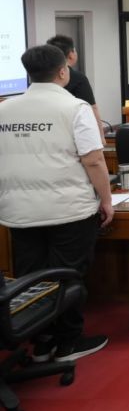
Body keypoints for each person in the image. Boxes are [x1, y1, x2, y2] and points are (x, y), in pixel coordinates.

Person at [0, 45, 114, 363]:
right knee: (67, 274)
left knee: (31, 276)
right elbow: (93, 160)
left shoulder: (5, 109)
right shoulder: (75, 108)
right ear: (63, 71)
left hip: (18, 210)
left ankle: (40, 340)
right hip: (68, 209)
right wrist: (106, 200)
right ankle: (68, 342)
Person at [46, 35, 102, 132]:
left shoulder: (43, 76)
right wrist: (100, 135)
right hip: (73, 129)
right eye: (75, 50)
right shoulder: (78, 78)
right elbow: (92, 108)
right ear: (71, 55)